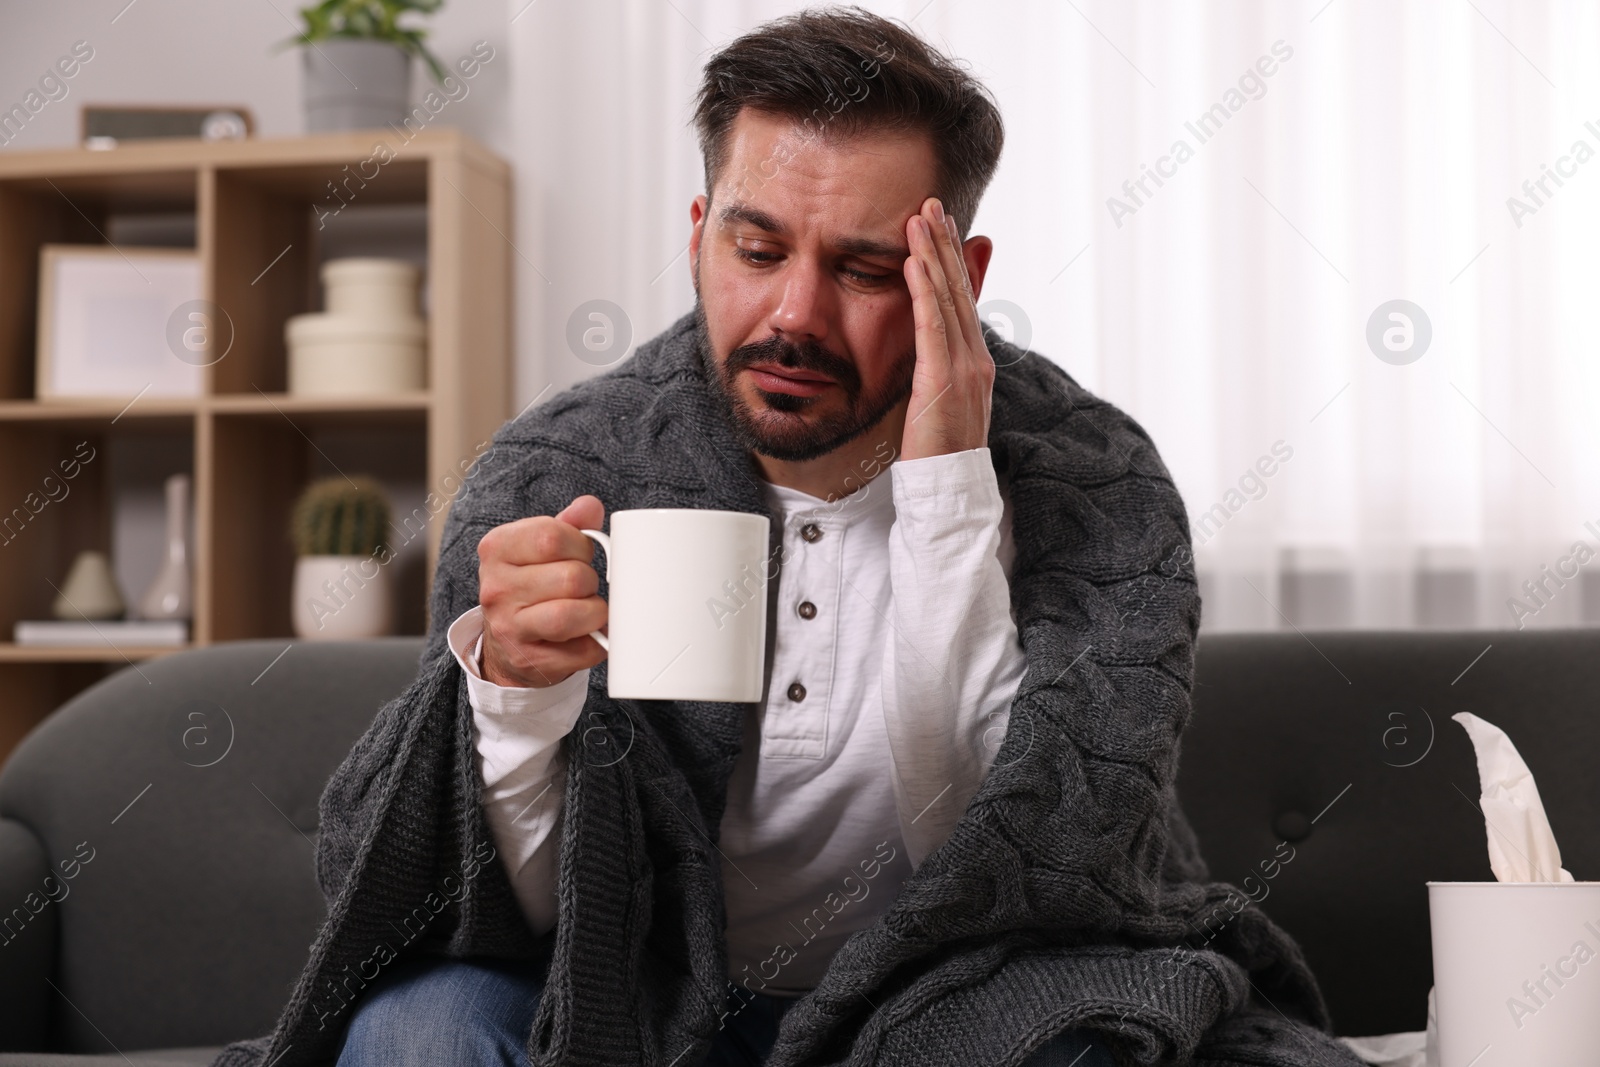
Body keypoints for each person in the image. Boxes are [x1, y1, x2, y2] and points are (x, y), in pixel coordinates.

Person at [215, 8, 1358, 1067]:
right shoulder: (557, 473)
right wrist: (516, 700)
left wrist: (948, 484)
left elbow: (1006, 879)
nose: (795, 316)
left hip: (958, 992)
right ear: (702, 233)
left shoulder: (1093, 486)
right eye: (758, 252)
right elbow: (516, 917)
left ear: (956, 278)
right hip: (645, 1001)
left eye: (862, 269)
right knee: (419, 1027)